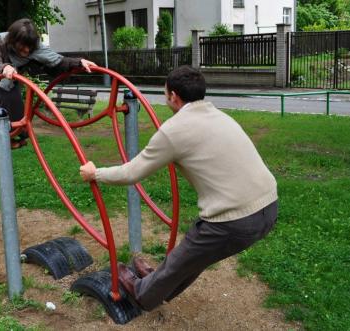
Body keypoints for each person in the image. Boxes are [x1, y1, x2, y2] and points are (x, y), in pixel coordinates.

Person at [79, 65, 278, 311]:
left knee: (190, 254)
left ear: (173, 96)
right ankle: (159, 284)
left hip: (234, 219)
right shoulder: (219, 114)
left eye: (165, 94)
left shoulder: (174, 130)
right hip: (269, 206)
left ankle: (142, 293)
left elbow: (132, 172)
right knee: (193, 256)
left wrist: (94, 173)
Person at [0, 18, 96, 150]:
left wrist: (79, 62)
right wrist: (4, 67)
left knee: (16, 102)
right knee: (2, 98)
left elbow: (57, 61)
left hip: (9, 79)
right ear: (13, 41)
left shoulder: (35, 50)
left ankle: (11, 136)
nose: (26, 51)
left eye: (29, 47)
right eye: (22, 47)